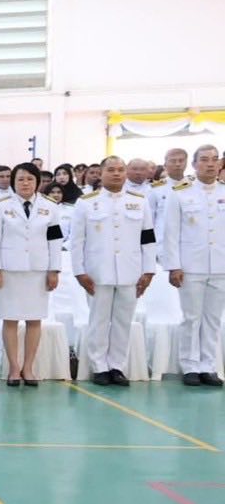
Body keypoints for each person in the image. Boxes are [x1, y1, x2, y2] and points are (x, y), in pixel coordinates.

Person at [71, 156, 156, 386]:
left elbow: (148, 238)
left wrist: (149, 271)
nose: (117, 174)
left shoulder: (139, 202)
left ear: (125, 173)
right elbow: (77, 241)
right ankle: (99, 366)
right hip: (97, 272)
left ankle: (117, 366)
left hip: (130, 271)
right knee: (98, 320)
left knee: (123, 321)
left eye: (120, 170)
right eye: (111, 170)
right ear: (101, 173)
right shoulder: (86, 203)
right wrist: (79, 271)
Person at [0, 164, 64, 387]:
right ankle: (13, 368)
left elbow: (55, 241)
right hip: (9, 270)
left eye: (30, 179)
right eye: (20, 179)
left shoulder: (50, 207)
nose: (25, 183)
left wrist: (54, 269)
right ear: (13, 182)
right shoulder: (1, 207)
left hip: (38, 270)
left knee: (34, 319)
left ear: (38, 181)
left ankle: (28, 367)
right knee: (10, 318)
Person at [162, 145, 225, 386]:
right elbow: (171, 233)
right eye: (205, 160)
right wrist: (173, 266)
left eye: (214, 159)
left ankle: (208, 366)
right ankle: (190, 366)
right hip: (190, 265)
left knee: (213, 319)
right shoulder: (180, 193)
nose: (210, 164)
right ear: (195, 165)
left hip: (220, 265)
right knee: (191, 318)